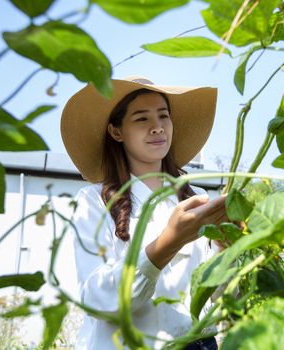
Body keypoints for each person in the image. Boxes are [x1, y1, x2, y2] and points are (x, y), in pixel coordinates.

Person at [61, 76, 227, 350]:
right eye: (141, 119)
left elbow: (217, 295)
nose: (157, 127)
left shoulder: (196, 197)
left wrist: (226, 245)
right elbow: (94, 298)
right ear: (116, 132)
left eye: (164, 116)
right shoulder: (94, 202)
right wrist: (167, 243)